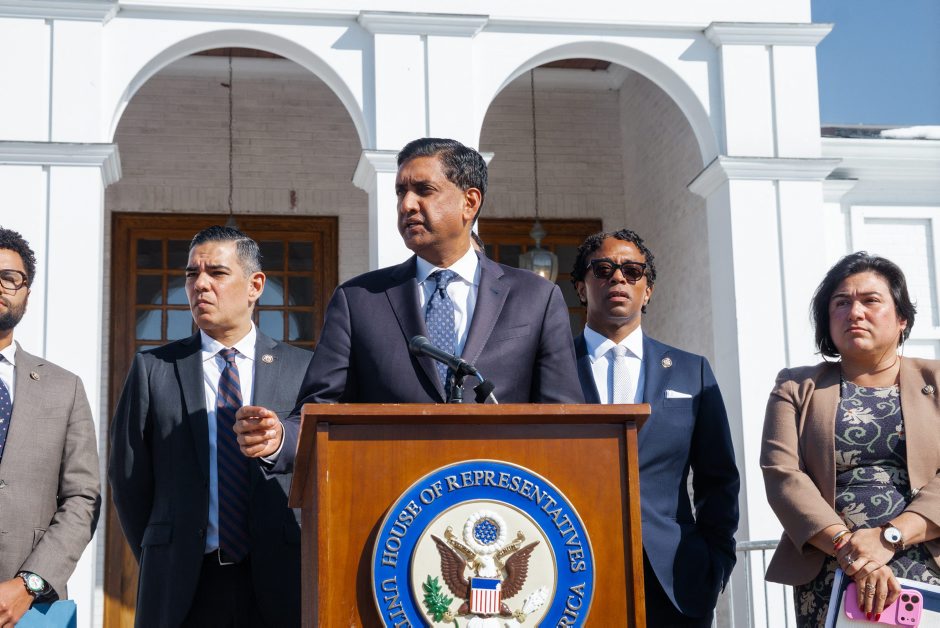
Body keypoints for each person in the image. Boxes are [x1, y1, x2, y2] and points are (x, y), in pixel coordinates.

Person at [236, 138, 583, 459]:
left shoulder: (535, 298)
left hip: (500, 492)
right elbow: (321, 411)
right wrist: (279, 439)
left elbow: (564, 419)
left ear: (470, 202)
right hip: (394, 494)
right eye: (401, 192)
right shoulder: (359, 300)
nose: (407, 205)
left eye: (424, 191)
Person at [109, 226, 314, 627]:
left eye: (217, 273)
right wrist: (163, 550)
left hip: (281, 583)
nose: (200, 285)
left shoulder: (302, 369)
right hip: (183, 585)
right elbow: (129, 480)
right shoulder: (153, 369)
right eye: (192, 274)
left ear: (255, 285)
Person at [571, 228, 739, 626]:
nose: (618, 278)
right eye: (603, 269)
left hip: (675, 577)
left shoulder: (692, 371)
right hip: (574, 564)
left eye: (632, 271)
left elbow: (718, 478)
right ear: (581, 288)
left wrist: (717, 562)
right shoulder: (552, 367)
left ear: (647, 291)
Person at [762, 252, 940, 625]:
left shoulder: (936, 381)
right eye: (841, 303)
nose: (854, 312)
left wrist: (889, 537)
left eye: (871, 300)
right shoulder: (796, 386)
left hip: (926, 565)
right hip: (833, 568)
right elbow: (783, 477)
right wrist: (852, 552)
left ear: (902, 318)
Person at [0, 228, 100, 626]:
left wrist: (29, 583)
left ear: (26, 293)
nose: (0, 286)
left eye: (10, 278)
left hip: (31, 609)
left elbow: (83, 497)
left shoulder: (65, 388)